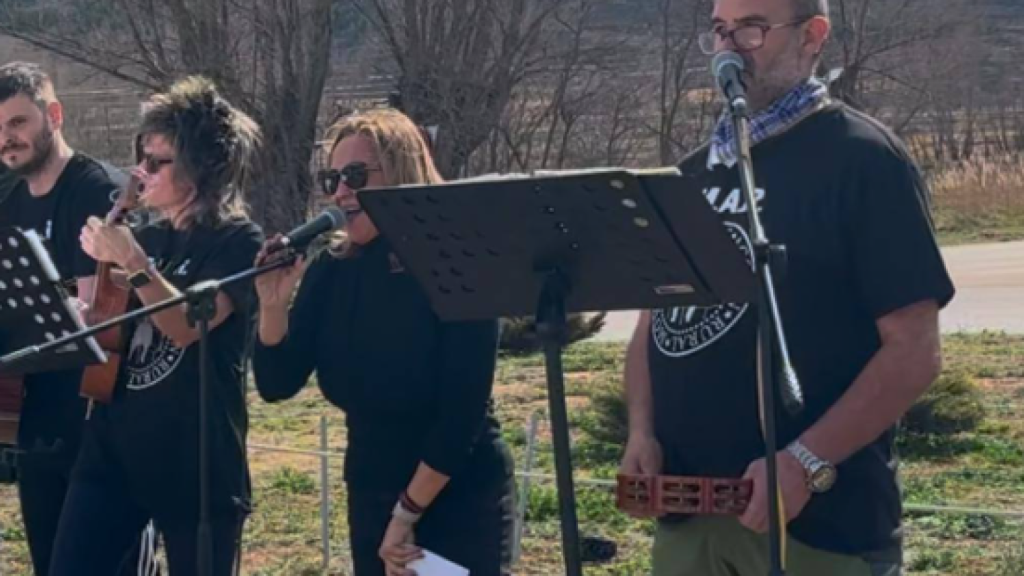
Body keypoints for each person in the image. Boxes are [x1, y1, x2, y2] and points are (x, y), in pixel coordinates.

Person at [619, 1, 956, 575]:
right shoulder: (693, 172)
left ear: (812, 36)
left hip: (815, 529)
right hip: (689, 522)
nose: (729, 47)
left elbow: (914, 352)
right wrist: (640, 431)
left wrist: (805, 460)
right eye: (720, 31)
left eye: (751, 29)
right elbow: (651, 327)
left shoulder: (864, 160)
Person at [252, 109, 515, 576]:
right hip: (373, 489)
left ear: (403, 173)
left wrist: (406, 516)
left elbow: (461, 414)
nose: (340, 192)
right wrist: (272, 306)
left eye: (355, 175)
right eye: (332, 178)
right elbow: (277, 383)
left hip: (454, 492)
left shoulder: (458, 262)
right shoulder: (332, 270)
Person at [48, 76, 264, 575]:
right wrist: (79, 313)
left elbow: (190, 325)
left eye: (156, 161)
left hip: (195, 466)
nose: (139, 172)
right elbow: (111, 332)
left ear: (202, 167)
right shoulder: (145, 235)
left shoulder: (236, 240)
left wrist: (136, 264)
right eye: (140, 158)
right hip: (112, 456)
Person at [0, 61, 118, 575]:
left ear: (54, 114)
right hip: (29, 409)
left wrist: (38, 289)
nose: (7, 140)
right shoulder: (7, 198)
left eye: (18, 123)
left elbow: (93, 296)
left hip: (92, 410)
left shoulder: (95, 189)